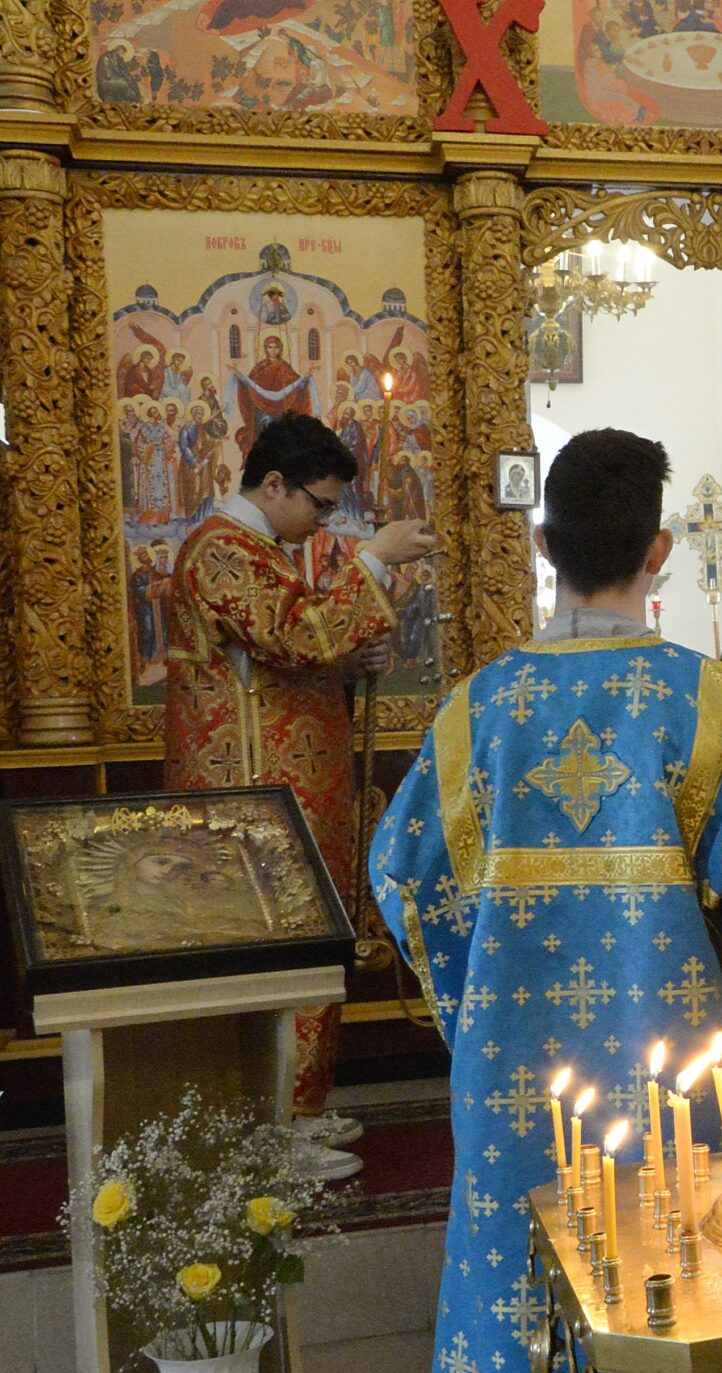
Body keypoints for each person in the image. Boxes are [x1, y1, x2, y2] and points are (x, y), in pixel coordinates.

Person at [372, 428, 722, 1373]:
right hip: (687, 1089)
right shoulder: (714, 704)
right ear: (659, 549)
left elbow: (403, 877)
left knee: (519, 1305)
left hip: (514, 1086)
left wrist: (482, 1003)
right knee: (685, 1298)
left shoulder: (476, 711)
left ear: (545, 547)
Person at [163, 413, 437, 1179]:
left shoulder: (261, 552)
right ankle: (270, 1127)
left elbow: (281, 660)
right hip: (251, 798)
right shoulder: (221, 549)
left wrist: (346, 667)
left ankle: (297, 1109)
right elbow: (293, 635)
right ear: (275, 483)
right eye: (319, 504)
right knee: (281, 955)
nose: (323, 521)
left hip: (289, 789)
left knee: (309, 947)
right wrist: (373, 559)